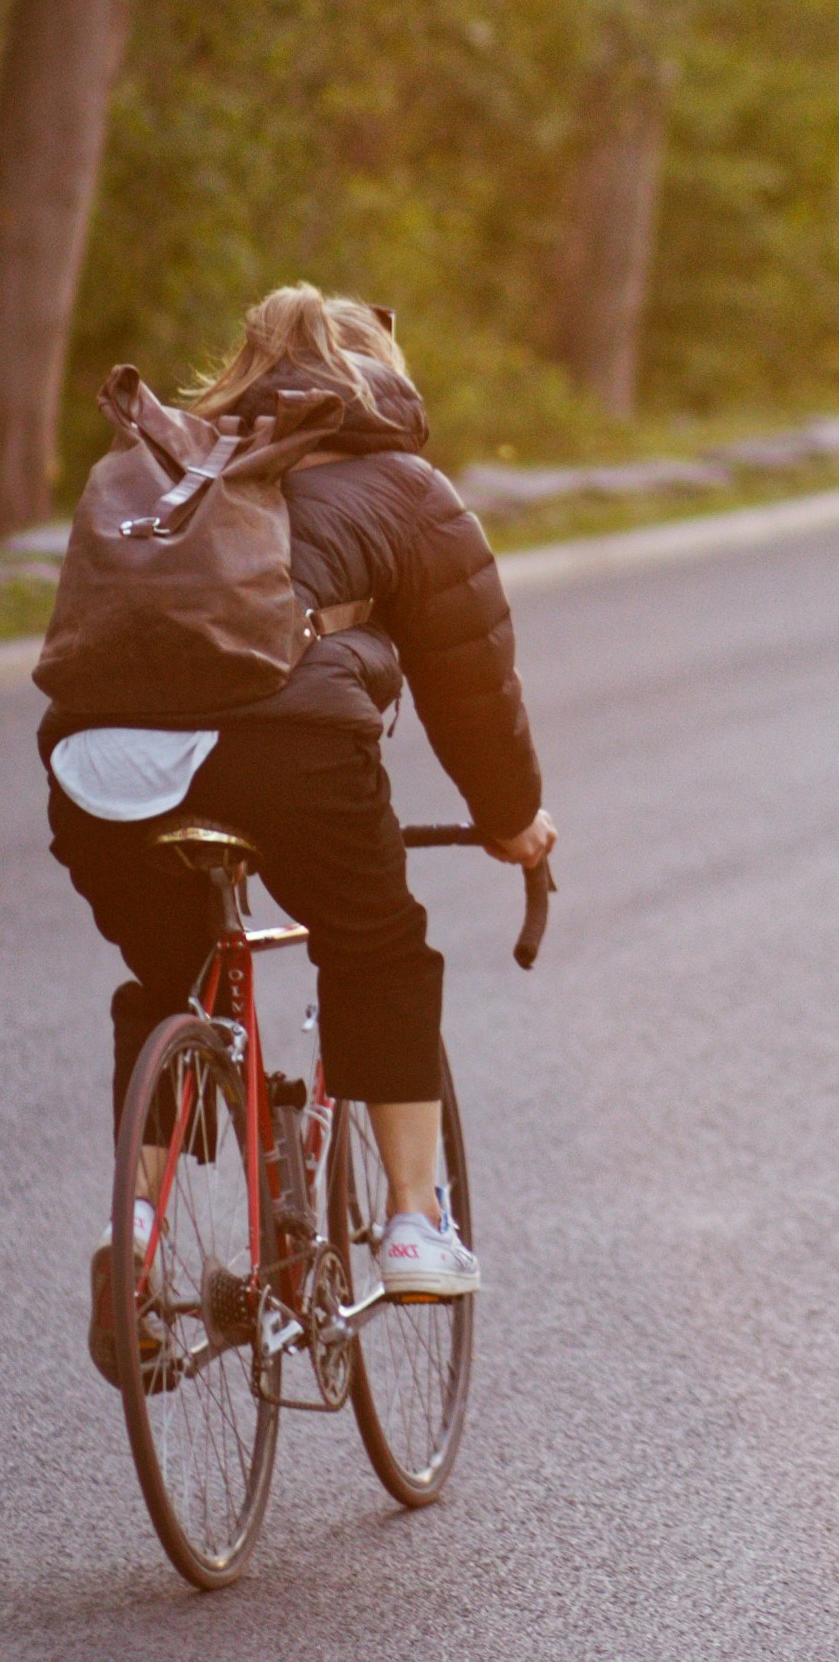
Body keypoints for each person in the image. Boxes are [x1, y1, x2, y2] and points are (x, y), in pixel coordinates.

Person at [43, 286, 550, 1378]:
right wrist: (511, 822)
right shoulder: (408, 491)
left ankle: (131, 1240)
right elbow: (472, 684)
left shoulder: (167, 471)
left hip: (94, 760)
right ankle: (413, 1221)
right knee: (376, 945)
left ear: (244, 371)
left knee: (168, 979)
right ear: (381, 375)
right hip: (290, 748)